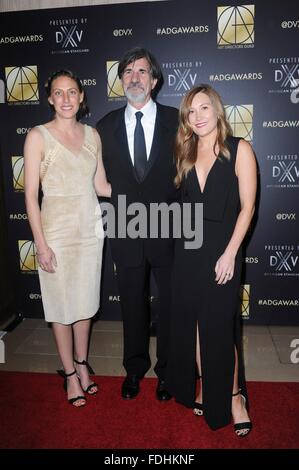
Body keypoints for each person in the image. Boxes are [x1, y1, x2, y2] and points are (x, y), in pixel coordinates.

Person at [166, 84, 257, 436]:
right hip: (188, 254)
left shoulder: (239, 149)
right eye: (191, 111)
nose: (198, 117)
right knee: (196, 330)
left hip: (224, 252)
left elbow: (247, 207)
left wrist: (231, 252)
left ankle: (235, 397)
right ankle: (206, 385)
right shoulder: (185, 152)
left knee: (219, 329)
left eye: (204, 108)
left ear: (217, 111)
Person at [24, 69, 111, 407]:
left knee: (85, 306)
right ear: (49, 97)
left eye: (72, 92)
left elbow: (102, 186)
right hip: (56, 233)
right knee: (61, 308)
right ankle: (70, 375)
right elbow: (31, 196)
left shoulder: (93, 135)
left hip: (90, 232)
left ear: (81, 97)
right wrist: (41, 245)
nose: (65, 99)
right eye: (58, 93)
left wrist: (141, 193)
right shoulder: (37, 136)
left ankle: (82, 364)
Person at [96, 47, 178, 400]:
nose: (134, 77)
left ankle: (168, 372)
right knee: (131, 303)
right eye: (127, 71)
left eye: (141, 71)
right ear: (121, 81)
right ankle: (133, 369)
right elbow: (101, 182)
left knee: (171, 304)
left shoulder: (178, 121)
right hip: (126, 226)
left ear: (154, 80)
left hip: (171, 226)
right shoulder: (105, 126)